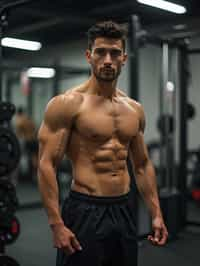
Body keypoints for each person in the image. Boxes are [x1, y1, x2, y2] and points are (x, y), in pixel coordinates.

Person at [38, 21, 168, 266]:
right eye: (100, 52)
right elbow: (46, 165)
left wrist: (156, 214)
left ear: (124, 58)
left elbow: (141, 165)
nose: (108, 59)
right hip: (85, 209)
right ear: (89, 56)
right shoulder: (67, 104)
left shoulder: (134, 109)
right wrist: (56, 224)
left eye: (115, 53)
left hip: (124, 208)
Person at [15, 106, 38, 181]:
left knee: (24, 157)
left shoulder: (20, 121)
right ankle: (35, 175)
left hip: (27, 141)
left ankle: (27, 175)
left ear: (18, 113)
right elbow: (35, 129)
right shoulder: (29, 120)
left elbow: (18, 134)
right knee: (34, 158)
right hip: (34, 140)